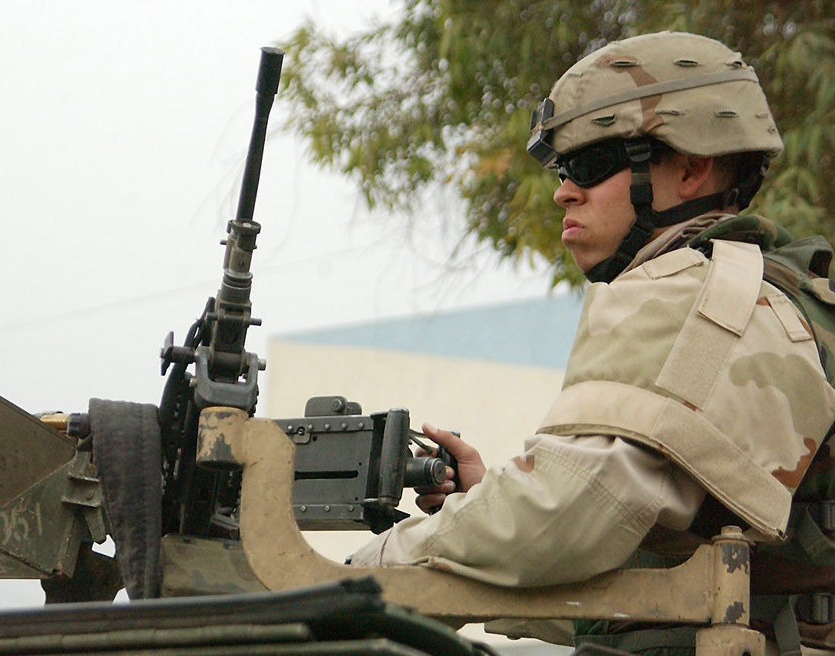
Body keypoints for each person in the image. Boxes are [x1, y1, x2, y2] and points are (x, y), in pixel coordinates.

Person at [349, 31, 835, 654]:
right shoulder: (779, 287)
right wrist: (489, 505)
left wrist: (354, 581)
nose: (562, 191)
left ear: (691, 166)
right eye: (561, 170)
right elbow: (636, 570)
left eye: (589, 164)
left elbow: (572, 508)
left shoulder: (691, 294)